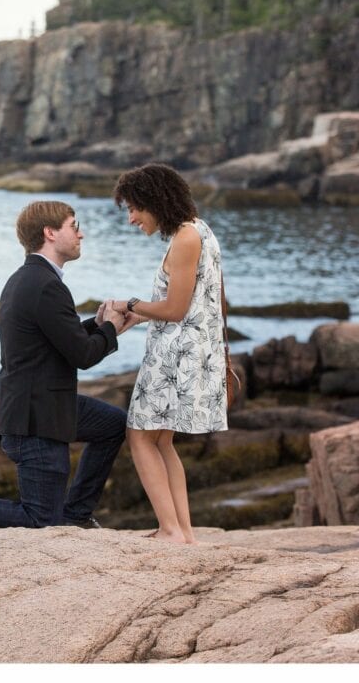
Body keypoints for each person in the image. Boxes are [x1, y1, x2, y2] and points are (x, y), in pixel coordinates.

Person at [0, 200, 134, 534]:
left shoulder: (31, 278)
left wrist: (102, 324)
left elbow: (61, 338)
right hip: (35, 420)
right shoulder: (45, 285)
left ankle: (75, 516)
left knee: (113, 424)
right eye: (74, 226)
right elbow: (83, 356)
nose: (81, 234)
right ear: (50, 232)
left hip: (45, 403)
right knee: (39, 520)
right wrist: (110, 329)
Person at [106, 163, 229, 545]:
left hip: (174, 361)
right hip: (188, 354)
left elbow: (175, 310)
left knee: (139, 436)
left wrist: (129, 302)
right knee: (161, 441)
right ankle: (183, 532)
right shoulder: (199, 231)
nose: (131, 219)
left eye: (133, 209)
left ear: (153, 201)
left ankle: (171, 530)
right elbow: (202, 306)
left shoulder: (185, 239)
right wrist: (135, 317)